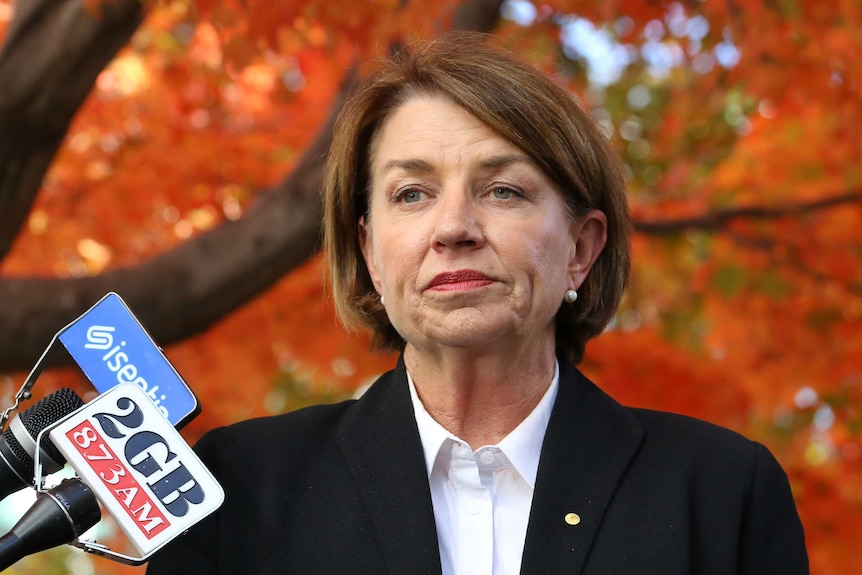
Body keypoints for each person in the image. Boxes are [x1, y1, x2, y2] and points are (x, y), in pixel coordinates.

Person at [146, 32, 808, 574]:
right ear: (372, 253)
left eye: (503, 191)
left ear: (582, 246)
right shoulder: (242, 485)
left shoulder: (722, 492)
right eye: (412, 193)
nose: (453, 226)